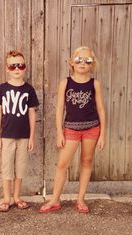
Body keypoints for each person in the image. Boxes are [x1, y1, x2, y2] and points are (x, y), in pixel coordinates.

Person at [39, 46, 106, 214]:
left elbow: (101, 110)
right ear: (72, 63)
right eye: (79, 60)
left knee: (86, 162)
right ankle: (55, 199)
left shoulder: (94, 84)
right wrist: (60, 132)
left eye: (87, 60)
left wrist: (103, 134)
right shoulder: (66, 83)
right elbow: (60, 108)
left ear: (92, 64)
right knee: (62, 164)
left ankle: (81, 199)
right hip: (71, 129)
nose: (83, 63)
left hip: (92, 128)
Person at [0, 50, 39, 212]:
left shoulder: (29, 90)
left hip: (24, 136)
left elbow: (32, 113)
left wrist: (32, 137)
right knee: (7, 168)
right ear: (7, 68)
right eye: (13, 66)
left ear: (25, 67)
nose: (17, 69)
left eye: (20, 65)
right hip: (6, 135)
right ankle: (7, 198)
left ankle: (17, 196)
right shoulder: (2, 88)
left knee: (20, 167)